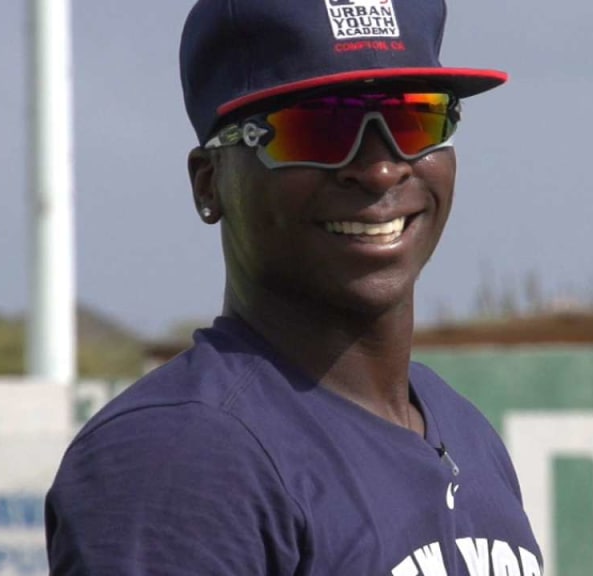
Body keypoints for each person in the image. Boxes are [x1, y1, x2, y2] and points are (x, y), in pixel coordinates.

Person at [45, 0, 542, 573]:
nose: (380, 170)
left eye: (416, 119)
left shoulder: (463, 429)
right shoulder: (181, 455)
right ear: (210, 183)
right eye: (319, 129)